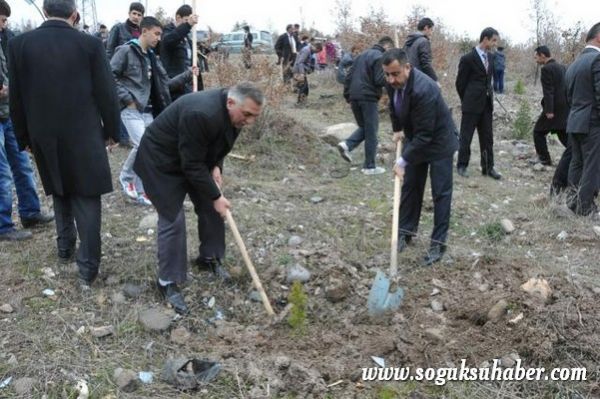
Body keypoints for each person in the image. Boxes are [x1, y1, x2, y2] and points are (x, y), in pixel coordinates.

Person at [8, 0, 120, 287]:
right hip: (83, 132)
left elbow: (16, 98)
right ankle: (87, 268)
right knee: (86, 194)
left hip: (42, 133)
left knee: (58, 185)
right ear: (73, 14)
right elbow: (106, 91)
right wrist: (112, 130)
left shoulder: (19, 44)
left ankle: (65, 246)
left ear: (45, 12)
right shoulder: (90, 45)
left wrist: (23, 137)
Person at [133, 83, 264, 314]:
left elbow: (218, 144)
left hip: (191, 157)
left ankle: (209, 258)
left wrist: (215, 165)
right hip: (161, 161)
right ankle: (167, 282)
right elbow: (191, 164)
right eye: (247, 115)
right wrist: (215, 195)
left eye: (254, 116)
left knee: (213, 208)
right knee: (173, 220)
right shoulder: (201, 113)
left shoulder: (235, 113)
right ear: (231, 103)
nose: (250, 122)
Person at [383, 48, 458, 266]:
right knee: (410, 188)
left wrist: (402, 161)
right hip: (417, 139)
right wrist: (397, 128)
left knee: (441, 193)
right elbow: (394, 107)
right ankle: (405, 232)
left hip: (438, 142)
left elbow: (426, 135)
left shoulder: (425, 89)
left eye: (395, 74)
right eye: (387, 74)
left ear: (408, 67)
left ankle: (437, 244)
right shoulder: (392, 80)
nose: (391, 79)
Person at [111, 16, 195, 206]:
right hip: (130, 109)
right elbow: (110, 76)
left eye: (160, 34)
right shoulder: (125, 51)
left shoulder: (152, 58)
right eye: (156, 34)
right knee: (142, 145)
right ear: (144, 31)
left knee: (150, 149)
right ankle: (126, 179)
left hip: (149, 111)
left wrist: (189, 74)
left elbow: (165, 84)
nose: (159, 38)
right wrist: (127, 99)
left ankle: (141, 190)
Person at [0, 0, 53, 242]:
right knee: (2, 173)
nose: (4, 25)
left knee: (22, 164)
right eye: (1, 19)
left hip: (6, 113)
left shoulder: (5, 39)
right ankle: (3, 226)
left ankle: (30, 212)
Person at [338, 36, 395, 175]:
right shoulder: (380, 57)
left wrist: (347, 95)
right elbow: (379, 79)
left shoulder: (359, 56)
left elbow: (348, 77)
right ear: (387, 46)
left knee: (365, 127)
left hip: (354, 96)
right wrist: (392, 79)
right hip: (368, 97)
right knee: (371, 131)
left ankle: (347, 145)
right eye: (391, 51)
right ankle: (369, 166)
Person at [455, 27, 502, 180]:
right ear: (485, 39)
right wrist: (467, 99)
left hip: (486, 105)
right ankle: (462, 165)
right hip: (471, 105)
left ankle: (488, 167)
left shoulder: (491, 57)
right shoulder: (468, 58)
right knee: (466, 136)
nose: (496, 44)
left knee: (487, 137)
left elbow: (489, 80)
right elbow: (460, 83)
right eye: (494, 40)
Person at [564, 23, 600, 217]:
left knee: (577, 163)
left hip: (575, 121)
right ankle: (585, 208)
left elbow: (568, 97)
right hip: (592, 123)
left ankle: (573, 202)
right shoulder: (598, 59)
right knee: (592, 166)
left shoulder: (574, 64)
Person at [532, 46, 569, 167]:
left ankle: (544, 159)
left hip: (553, 108)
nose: (536, 59)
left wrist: (549, 110)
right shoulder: (562, 67)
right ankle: (579, 156)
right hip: (565, 107)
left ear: (542, 55)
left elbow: (549, 91)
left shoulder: (546, 69)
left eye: (536, 56)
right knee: (562, 133)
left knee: (538, 132)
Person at [159, 4, 203, 100]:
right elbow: (170, 40)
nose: (190, 24)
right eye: (187, 20)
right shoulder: (167, 32)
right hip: (174, 87)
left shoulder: (187, 38)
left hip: (188, 86)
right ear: (178, 17)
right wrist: (187, 25)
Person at [403, 17, 438, 83]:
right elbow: (425, 64)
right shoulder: (424, 41)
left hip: (407, 79)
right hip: (418, 80)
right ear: (426, 27)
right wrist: (435, 80)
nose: (431, 33)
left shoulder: (407, 42)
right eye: (431, 29)